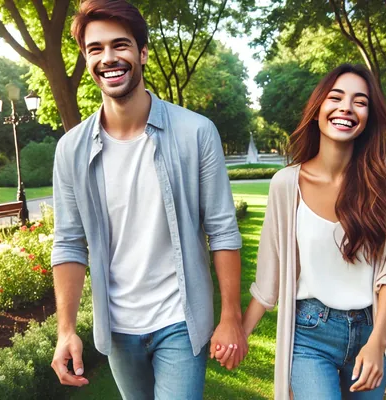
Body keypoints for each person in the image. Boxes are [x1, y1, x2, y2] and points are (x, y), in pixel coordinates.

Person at [50, 1, 247, 398]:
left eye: (120, 45)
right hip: (118, 327)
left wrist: (231, 316)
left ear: (141, 53)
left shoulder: (196, 132)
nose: (109, 58)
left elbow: (222, 230)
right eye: (95, 49)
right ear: (87, 59)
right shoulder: (70, 149)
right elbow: (69, 242)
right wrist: (66, 330)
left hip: (179, 319)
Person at [217, 64, 386, 399]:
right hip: (309, 334)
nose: (346, 107)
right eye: (336, 97)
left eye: (360, 101)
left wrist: (379, 341)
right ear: (318, 109)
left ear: (368, 117)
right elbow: (271, 275)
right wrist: (239, 335)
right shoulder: (286, 184)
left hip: (370, 330)